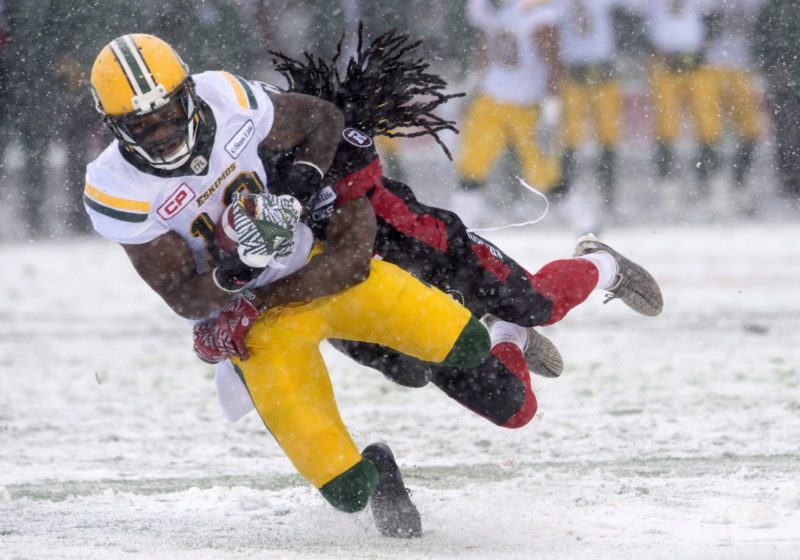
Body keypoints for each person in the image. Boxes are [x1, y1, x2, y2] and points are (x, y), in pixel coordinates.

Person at [84, 33, 492, 538]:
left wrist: (299, 188)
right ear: (115, 128)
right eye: (141, 124)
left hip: (316, 263)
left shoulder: (225, 98)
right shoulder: (115, 188)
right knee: (347, 491)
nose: (161, 132)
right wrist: (235, 270)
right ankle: (376, 468)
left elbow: (323, 119)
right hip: (252, 314)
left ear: (188, 94)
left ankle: (504, 325)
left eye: (167, 113)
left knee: (448, 353)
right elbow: (184, 297)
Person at [263, 26, 664, 429]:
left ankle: (603, 264)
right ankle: (508, 334)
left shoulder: (331, 144)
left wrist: (300, 188)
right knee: (513, 409)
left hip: (443, 257)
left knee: (540, 304)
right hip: (397, 301)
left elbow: (356, 178)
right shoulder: (249, 187)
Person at [451, 0, 564, 228]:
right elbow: (485, 48)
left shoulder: (535, 10)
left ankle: (585, 225)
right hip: (491, 96)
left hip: (526, 101)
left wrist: (552, 103)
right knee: (472, 162)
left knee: (543, 171)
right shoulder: (484, 6)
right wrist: (471, 86)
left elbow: (552, 58)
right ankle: (459, 226)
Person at [552, 0, 624, 220]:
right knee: (569, 139)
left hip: (603, 74)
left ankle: (609, 199)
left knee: (608, 138)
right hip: (574, 75)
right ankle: (564, 198)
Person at [753, 0, 800, 202]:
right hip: (783, 88)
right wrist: (773, 69)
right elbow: (760, 44)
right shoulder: (770, 10)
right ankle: (790, 182)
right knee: (786, 134)